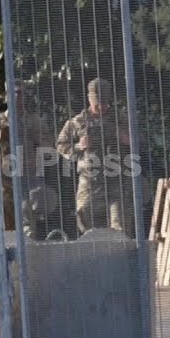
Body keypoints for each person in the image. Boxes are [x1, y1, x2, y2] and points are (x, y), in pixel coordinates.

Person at [56, 77, 136, 237]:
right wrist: (80, 146)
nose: (102, 106)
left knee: (120, 227)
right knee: (85, 224)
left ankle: (121, 257)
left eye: (105, 102)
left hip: (116, 182)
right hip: (89, 182)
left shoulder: (121, 119)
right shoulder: (77, 122)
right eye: (97, 103)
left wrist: (126, 138)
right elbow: (60, 146)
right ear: (89, 99)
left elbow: (138, 140)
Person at [0, 83, 57, 240]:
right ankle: (7, 255)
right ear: (6, 96)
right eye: (13, 93)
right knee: (1, 214)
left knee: (27, 213)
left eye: (20, 93)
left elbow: (51, 150)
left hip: (29, 179)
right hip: (4, 180)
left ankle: (28, 253)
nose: (17, 97)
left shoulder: (35, 121)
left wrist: (37, 141)